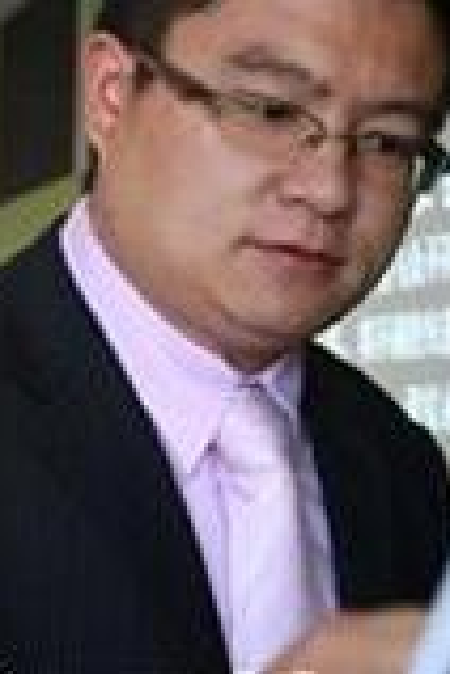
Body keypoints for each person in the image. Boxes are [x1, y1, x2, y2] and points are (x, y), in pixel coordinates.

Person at [0, 0, 449, 672]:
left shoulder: (402, 467)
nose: (329, 191)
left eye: (387, 142)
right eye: (272, 111)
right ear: (111, 93)